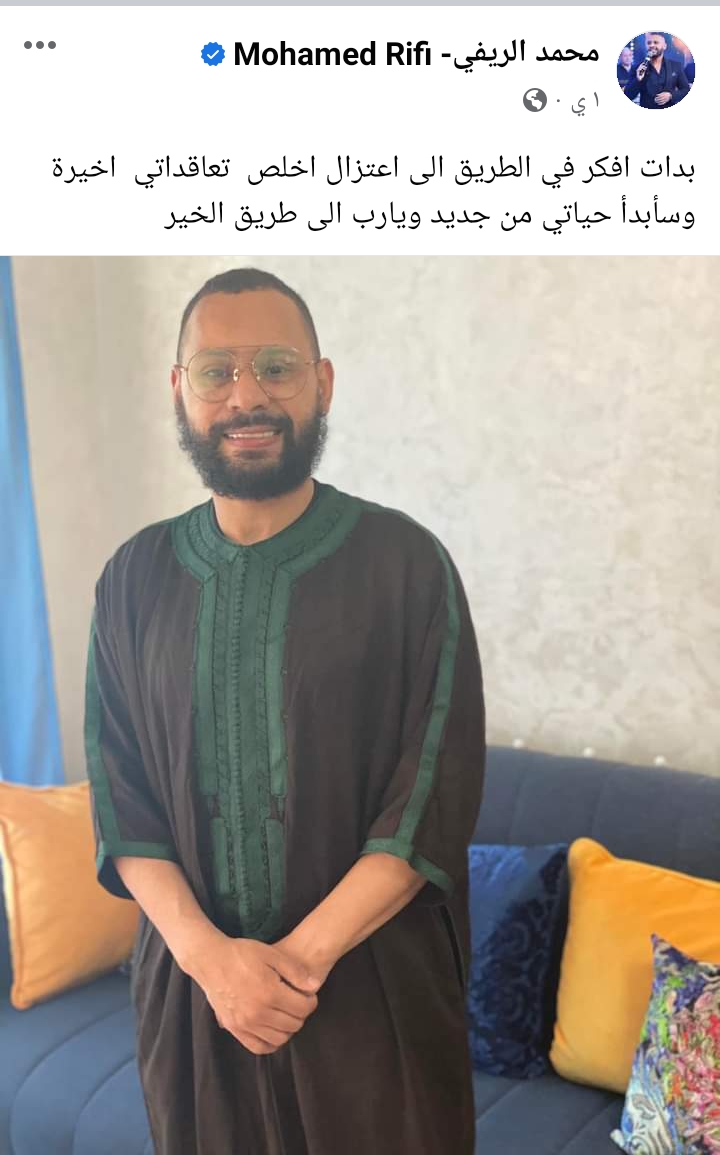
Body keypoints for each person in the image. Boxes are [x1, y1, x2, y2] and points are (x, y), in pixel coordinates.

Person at [84, 267, 486, 1155]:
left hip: (374, 1004)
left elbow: (428, 797)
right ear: (180, 388)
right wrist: (214, 964)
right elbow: (121, 798)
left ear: (322, 382)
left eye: (276, 366)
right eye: (217, 371)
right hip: (196, 1005)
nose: (247, 396)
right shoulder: (132, 580)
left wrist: (292, 968)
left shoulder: (406, 566)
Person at [624, 31, 690, 107]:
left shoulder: (675, 66)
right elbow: (628, 95)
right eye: (649, 43)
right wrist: (638, 79)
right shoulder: (637, 68)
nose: (652, 45)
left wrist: (671, 95)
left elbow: (686, 90)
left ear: (664, 46)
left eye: (656, 42)